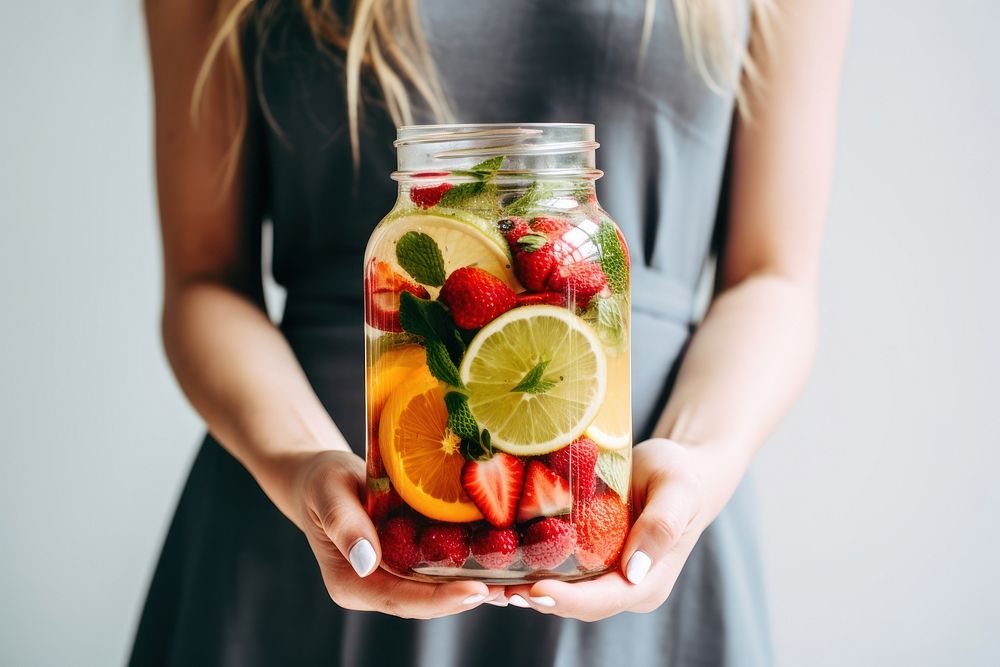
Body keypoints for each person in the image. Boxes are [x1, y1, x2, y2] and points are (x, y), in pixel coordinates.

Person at [132, 0, 849, 664]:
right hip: (310, 503)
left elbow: (773, 276)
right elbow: (205, 278)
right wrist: (297, 461)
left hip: (635, 502)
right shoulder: (397, 240)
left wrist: (697, 460)